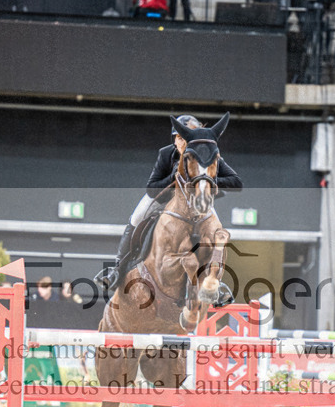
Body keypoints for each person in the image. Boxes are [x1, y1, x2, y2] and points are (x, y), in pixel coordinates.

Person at [98, 114, 242, 291]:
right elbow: (151, 188)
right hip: (163, 200)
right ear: (174, 139)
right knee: (136, 217)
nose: (183, 142)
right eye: (179, 138)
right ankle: (117, 268)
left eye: (187, 138)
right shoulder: (166, 154)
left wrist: (205, 180)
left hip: (197, 202)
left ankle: (216, 282)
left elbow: (236, 183)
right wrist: (174, 178)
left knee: (216, 231)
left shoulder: (207, 154)